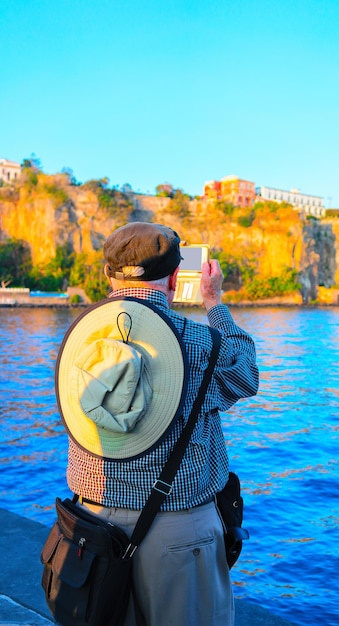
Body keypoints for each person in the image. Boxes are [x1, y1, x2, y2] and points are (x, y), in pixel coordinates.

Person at [57, 222, 259, 626]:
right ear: (173, 279)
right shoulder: (199, 342)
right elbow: (245, 376)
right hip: (177, 531)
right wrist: (214, 301)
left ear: (107, 274)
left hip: (90, 526)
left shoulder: (77, 337)